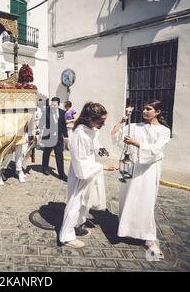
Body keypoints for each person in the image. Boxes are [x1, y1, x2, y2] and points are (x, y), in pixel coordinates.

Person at [111, 100, 171, 259]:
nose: (144, 111)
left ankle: (150, 238)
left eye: (148, 109)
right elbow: (115, 136)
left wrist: (136, 143)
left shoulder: (164, 131)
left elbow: (156, 150)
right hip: (133, 168)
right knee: (129, 198)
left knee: (146, 201)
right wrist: (123, 119)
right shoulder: (135, 126)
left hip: (150, 170)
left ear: (157, 112)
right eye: (144, 108)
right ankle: (126, 229)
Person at [59, 102, 117, 248]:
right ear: (89, 118)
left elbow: (95, 142)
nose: (102, 125)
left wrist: (102, 151)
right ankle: (66, 236)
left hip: (90, 169)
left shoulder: (91, 129)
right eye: (100, 121)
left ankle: (77, 224)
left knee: (85, 202)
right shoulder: (79, 134)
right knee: (75, 202)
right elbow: (80, 164)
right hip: (82, 173)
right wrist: (103, 167)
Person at [40, 97, 68, 181]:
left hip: (59, 138)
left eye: (54, 105)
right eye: (51, 104)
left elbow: (63, 126)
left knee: (59, 156)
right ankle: (44, 168)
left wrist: (66, 136)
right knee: (46, 153)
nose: (52, 106)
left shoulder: (62, 113)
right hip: (48, 138)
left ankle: (61, 174)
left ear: (58, 105)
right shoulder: (46, 112)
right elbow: (41, 123)